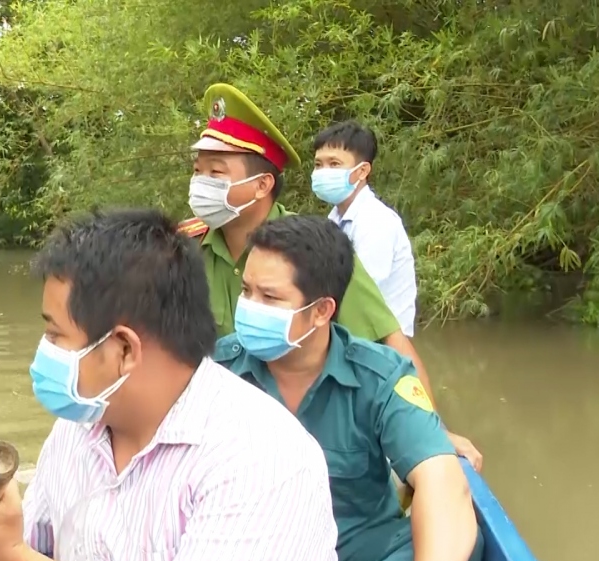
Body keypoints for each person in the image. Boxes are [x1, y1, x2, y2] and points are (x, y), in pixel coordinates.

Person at [0, 208, 360, 561]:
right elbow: (34, 532)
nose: (45, 353)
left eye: (55, 334)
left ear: (124, 349)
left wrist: (3, 556)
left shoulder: (265, 455)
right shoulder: (81, 425)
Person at [213, 213, 483, 561]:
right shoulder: (215, 374)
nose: (250, 307)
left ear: (322, 311)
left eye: (270, 297)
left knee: (453, 531)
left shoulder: (379, 377)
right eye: (247, 292)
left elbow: (440, 479)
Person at [180, 83, 482, 471]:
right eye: (198, 171)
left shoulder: (315, 251)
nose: (200, 183)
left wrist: (433, 430)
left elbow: (390, 341)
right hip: (218, 443)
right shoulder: (181, 251)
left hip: (307, 443)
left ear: (262, 185)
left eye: (216, 173)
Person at [312, 121, 417, 336]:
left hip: (382, 343)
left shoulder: (377, 222)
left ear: (362, 171)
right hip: (350, 335)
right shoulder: (334, 219)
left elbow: (356, 293)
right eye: (318, 164)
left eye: (334, 164)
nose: (323, 172)